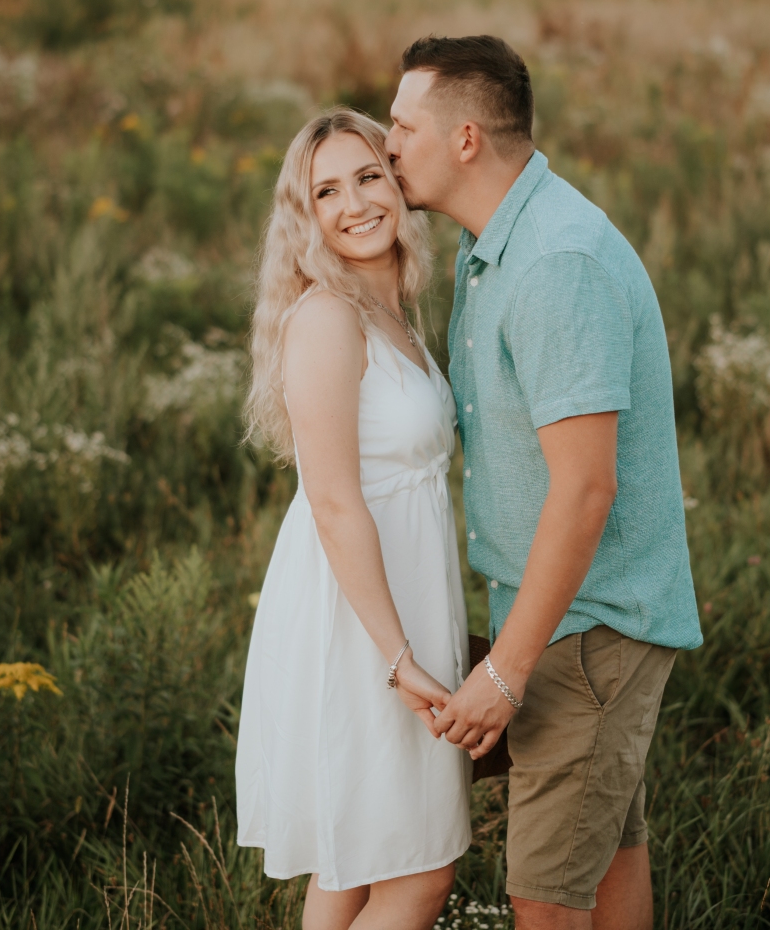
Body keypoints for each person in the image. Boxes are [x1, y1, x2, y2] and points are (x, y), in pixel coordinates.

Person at [385, 35, 702, 930]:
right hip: (560, 613)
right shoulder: (494, 243)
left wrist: (506, 669)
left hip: (590, 626)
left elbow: (586, 489)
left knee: (545, 898)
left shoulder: (556, 263)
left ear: (467, 140)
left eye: (403, 127)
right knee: (610, 858)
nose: (387, 144)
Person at [236, 109, 471, 930]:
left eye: (369, 176)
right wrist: (398, 658)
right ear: (305, 216)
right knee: (418, 873)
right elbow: (334, 502)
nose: (355, 204)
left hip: (402, 600)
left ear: (397, 182)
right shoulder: (328, 318)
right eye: (326, 192)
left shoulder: (394, 314)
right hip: (360, 624)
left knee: (355, 865)